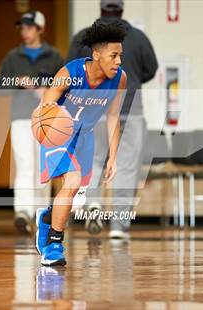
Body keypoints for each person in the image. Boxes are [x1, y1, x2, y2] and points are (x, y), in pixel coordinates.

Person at [35, 20, 127, 266]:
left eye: (120, 56)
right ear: (96, 55)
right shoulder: (71, 73)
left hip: (84, 137)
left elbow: (114, 117)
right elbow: (46, 104)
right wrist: (48, 126)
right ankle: (54, 245)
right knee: (72, 181)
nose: (118, 61)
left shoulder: (119, 79)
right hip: (58, 131)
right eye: (114, 55)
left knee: (76, 201)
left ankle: (47, 219)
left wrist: (113, 158)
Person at [67, 0, 158, 238]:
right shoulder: (138, 38)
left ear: (101, 9)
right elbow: (151, 70)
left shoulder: (82, 38)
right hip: (130, 110)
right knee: (126, 167)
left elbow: (70, 73)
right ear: (121, 9)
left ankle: (93, 206)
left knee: (93, 162)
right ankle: (119, 226)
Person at [0, 11, 63, 234]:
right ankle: (23, 212)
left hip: (47, 118)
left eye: (29, 27)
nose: (24, 32)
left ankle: (41, 214)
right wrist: (17, 81)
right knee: (24, 165)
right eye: (22, 28)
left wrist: (49, 91)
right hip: (21, 118)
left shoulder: (54, 57)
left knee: (43, 168)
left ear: (40, 29)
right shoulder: (12, 57)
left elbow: (67, 87)